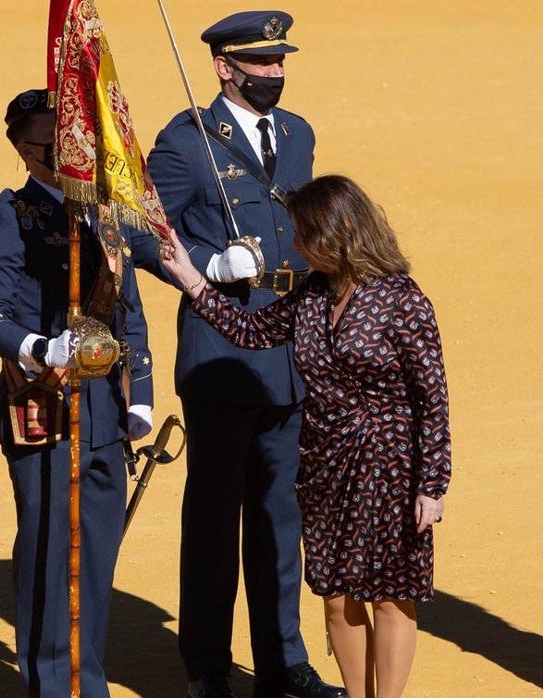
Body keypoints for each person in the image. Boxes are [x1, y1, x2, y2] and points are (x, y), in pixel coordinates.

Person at [159, 175, 451, 698]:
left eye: (303, 236)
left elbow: (432, 398)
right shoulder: (311, 296)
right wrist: (194, 280)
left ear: (335, 236)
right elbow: (252, 332)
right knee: (337, 596)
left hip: (390, 468)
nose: (294, 246)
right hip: (324, 465)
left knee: (389, 596)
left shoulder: (403, 301)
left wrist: (432, 484)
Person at [130, 11, 341, 697]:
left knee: (282, 514)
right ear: (225, 67)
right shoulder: (187, 143)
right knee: (216, 517)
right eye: (260, 64)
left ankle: (283, 662)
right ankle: (209, 667)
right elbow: (138, 225)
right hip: (221, 347)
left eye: (281, 62)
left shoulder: (299, 134)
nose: (274, 74)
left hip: (291, 347)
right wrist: (207, 264)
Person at [0, 88, 154, 698]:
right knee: (51, 553)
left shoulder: (103, 214)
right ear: (23, 148)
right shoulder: (9, 216)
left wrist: (140, 397)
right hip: (45, 405)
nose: (67, 148)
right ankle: (54, 686)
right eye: (50, 138)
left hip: (104, 414)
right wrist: (44, 348)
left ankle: (85, 678)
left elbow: (129, 309)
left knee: (96, 560)